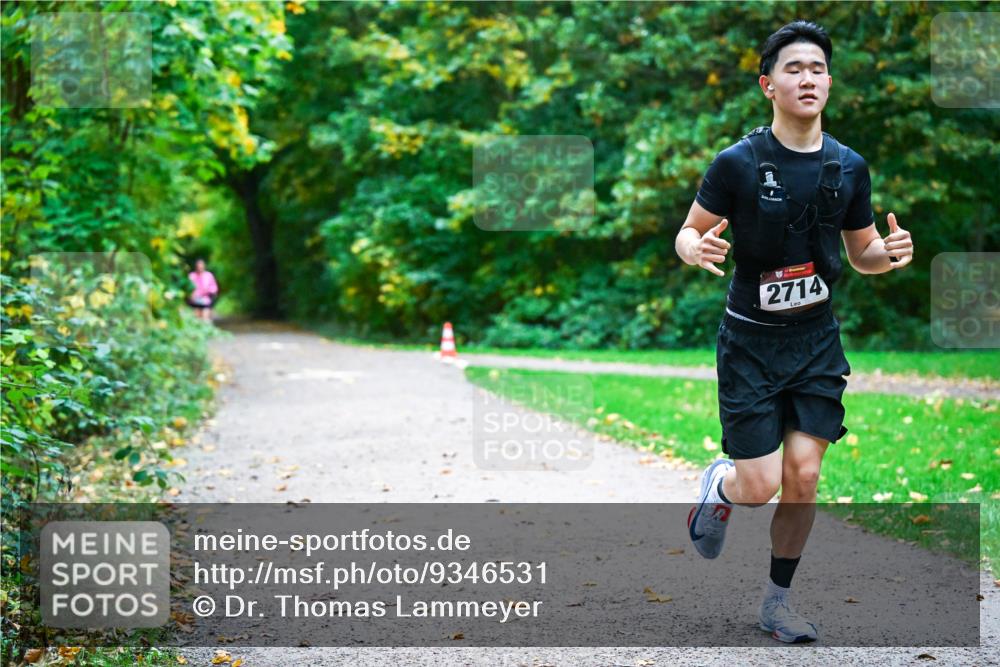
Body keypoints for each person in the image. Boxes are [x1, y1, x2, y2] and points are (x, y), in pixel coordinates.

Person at [674, 20, 913, 643]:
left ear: (829, 82)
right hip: (750, 342)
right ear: (768, 85)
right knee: (760, 486)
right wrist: (692, 248)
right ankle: (720, 486)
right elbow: (688, 229)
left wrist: (886, 254)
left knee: (804, 475)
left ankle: (778, 602)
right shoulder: (738, 163)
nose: (807, 78)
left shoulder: (848, 166)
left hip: (815, 343)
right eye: (793, 69)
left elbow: (861, 253)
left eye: (817, 69)